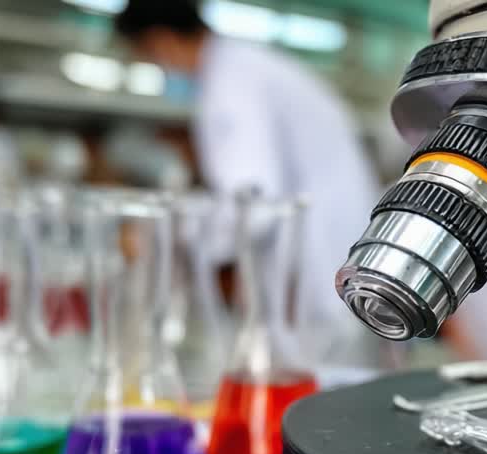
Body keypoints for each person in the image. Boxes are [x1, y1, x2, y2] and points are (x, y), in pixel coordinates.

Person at [114, 0, 381, 366]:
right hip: (337, 257)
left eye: (146, 57)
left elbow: (254, 206)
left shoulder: (231, 84)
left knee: (319, 395)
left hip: (321, 272)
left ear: (160, 41)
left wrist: (164, 232)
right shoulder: (245, 67)